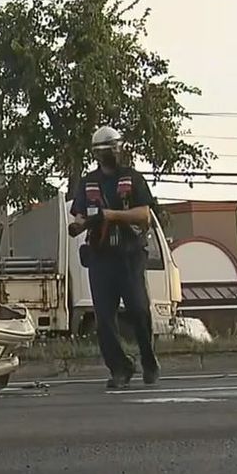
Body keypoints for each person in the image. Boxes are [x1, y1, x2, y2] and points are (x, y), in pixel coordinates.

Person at [68, 126, 161, 389]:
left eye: (114, 148)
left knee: (139, 311)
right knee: (104, 320)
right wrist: (79, 225)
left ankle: (149, 361)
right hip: (101, 257)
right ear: (98, 154)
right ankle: (120, 368)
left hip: (129, 257)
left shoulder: (133, 179)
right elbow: (80, 214)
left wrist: (113, 216)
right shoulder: (88, 182)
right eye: (107, 150)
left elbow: (144, 215)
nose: (113, 153)